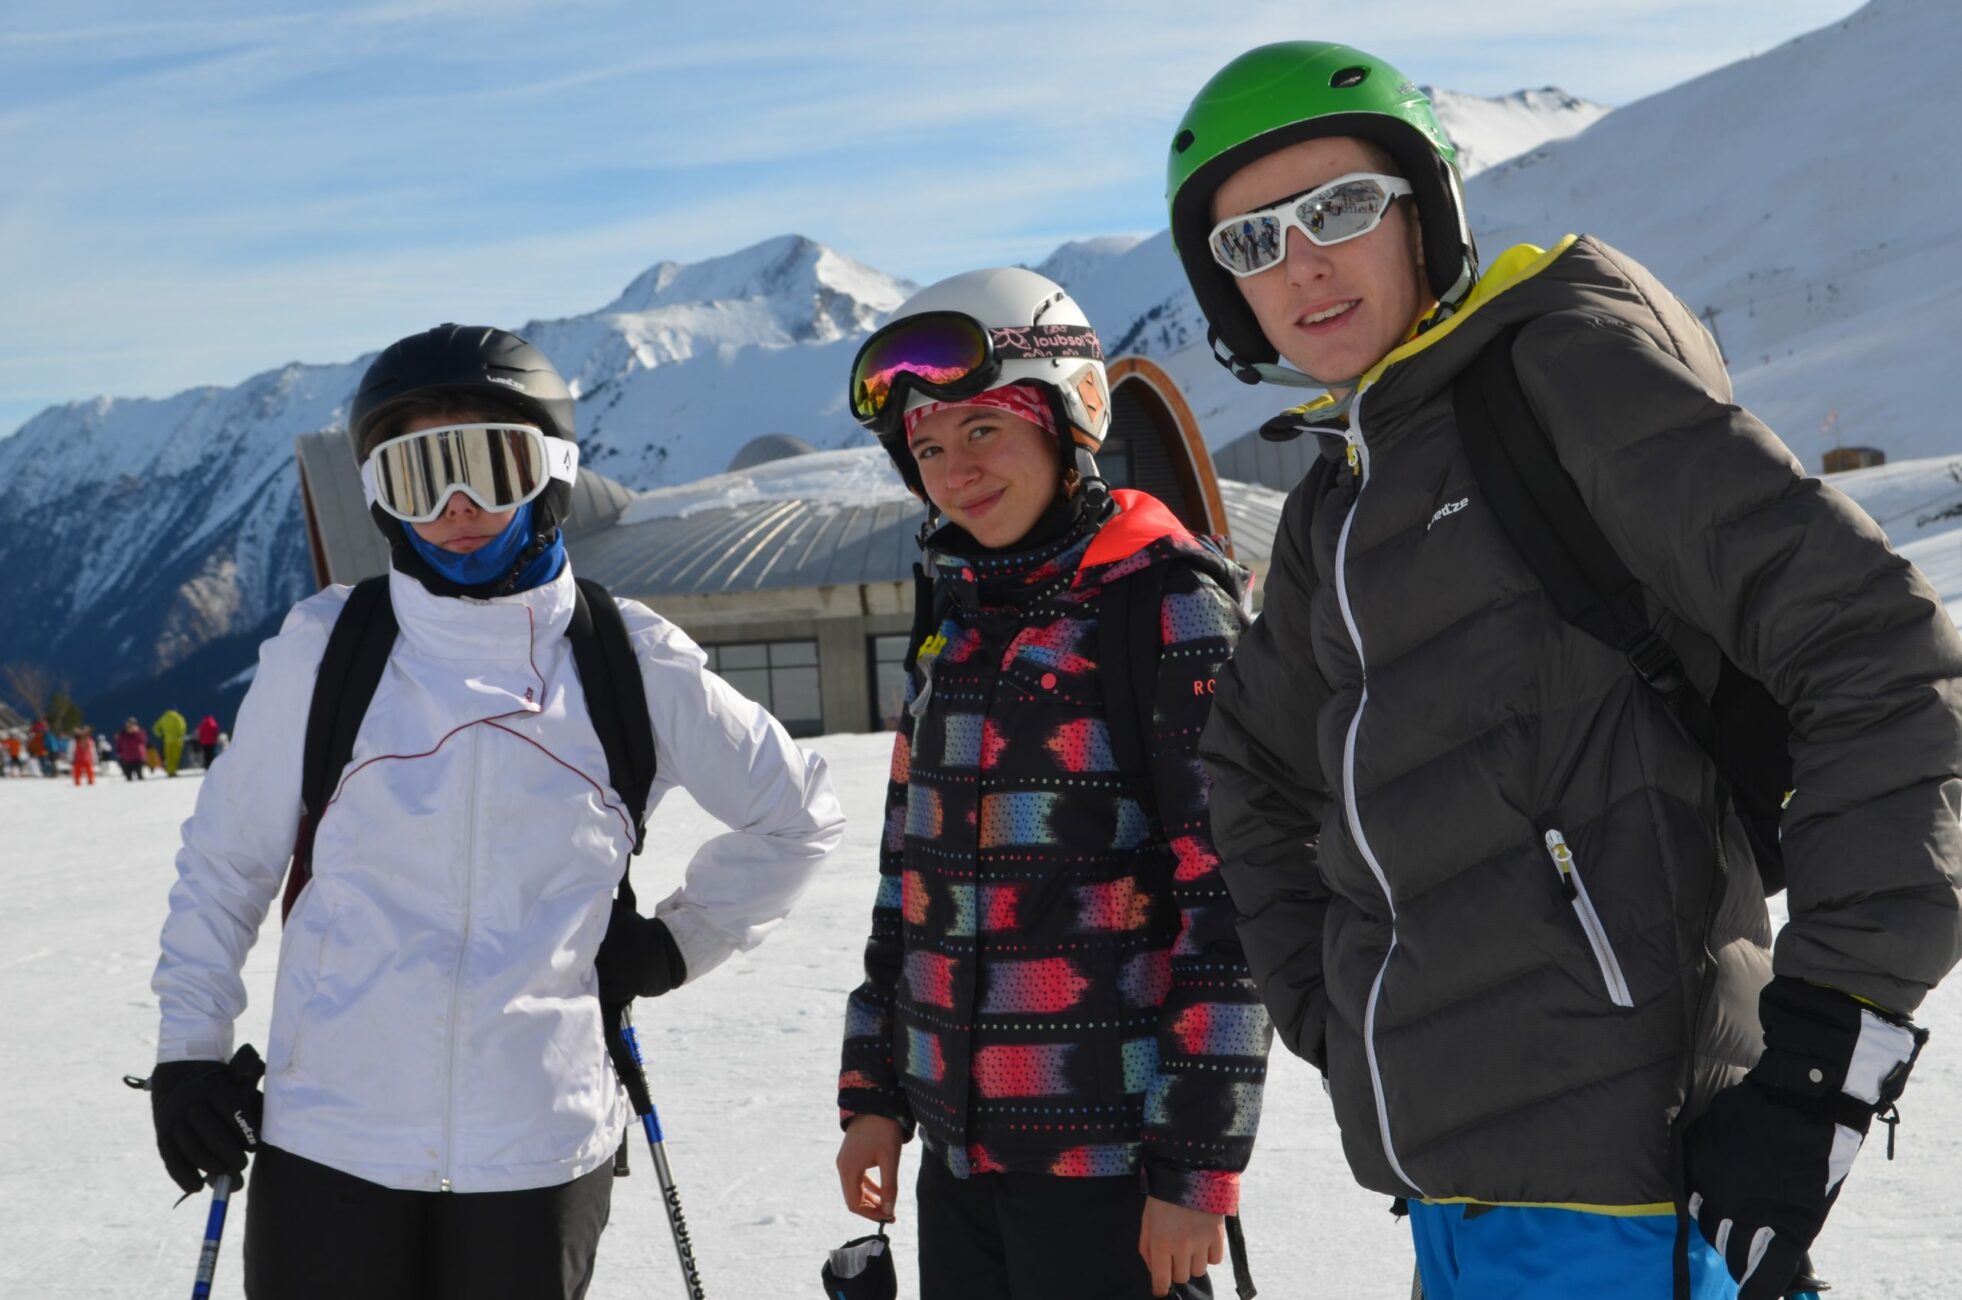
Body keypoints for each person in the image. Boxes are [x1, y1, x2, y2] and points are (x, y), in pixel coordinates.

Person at [1166, 42, 1962, 1300]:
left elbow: (1883, 658)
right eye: (1250, 244)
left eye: (1339, 209)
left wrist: (1827, 1049)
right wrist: (1345, 1015)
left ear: (1424, 213)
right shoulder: (1340, 497)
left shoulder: (1558, 376)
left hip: (1636, 1190)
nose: (1301, 263)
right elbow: (1250, 766)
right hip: (1458, 1195)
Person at [150, 323, 846, 1299]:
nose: (458, 507)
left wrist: (672, 946)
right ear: (381, 497)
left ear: (551, 470)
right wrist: (189, 1050)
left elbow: (798, 810)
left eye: (489, 463)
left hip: (538, 1151)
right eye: (418, 476)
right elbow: (225, 866)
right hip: (331, 1142)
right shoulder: (326, 652)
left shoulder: (628, 660)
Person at [835, 268, 1271, 1300]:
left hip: (1114, 1176)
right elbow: (911, 883)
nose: (954, 472)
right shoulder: (954, 615)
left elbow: (1233, 906)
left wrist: (1195, 1172)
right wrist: (875, 1096)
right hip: (960, 1164)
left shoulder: (1164, 607)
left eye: (984, 430)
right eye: (929, 448)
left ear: (1070, 412)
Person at [152, 707, 187, 776]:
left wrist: (161, 735)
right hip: (177, 741)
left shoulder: (164, 717)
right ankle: (173, 771)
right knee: (175, 757)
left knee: (169, 757)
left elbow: (155, 728)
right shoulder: (178, 717)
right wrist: (179, 735)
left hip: (167, 741)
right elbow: (182, 727)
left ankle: (170, 771)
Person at [71, 722, 96, 786]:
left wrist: (95, 759)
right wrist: (71, 758)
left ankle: (91, 782)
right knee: (77, 772)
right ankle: (77, 783)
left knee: (90, 771)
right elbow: (72, 750)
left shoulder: (90, 741)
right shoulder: (75, 741)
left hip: (87, 759)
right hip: (78, 759)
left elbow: (93, 751)